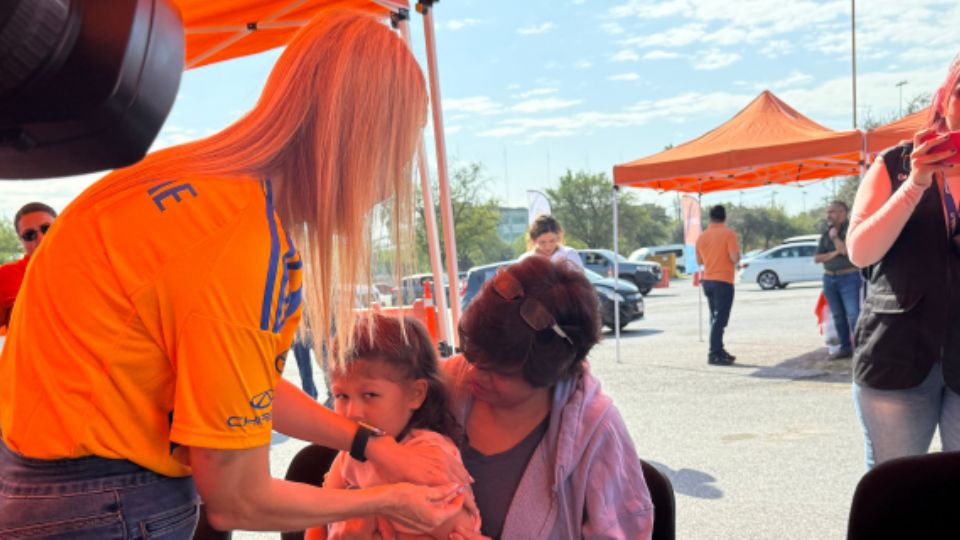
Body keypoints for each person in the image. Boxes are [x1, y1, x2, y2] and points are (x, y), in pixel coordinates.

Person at [0, 11, 468, 538]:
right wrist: (393, 499)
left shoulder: (187, 184)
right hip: (108, 506)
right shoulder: (243, 241)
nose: (388, 185)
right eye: (399, 153)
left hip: (39, 485)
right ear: (360, 143)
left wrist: (369, 443)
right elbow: (236, 501)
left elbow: (243, 388)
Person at [448, 256, 653, 539]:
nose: (474, 374)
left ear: (549, 373)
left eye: (500, 371)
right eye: (472, 356)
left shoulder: (596, 432)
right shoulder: (448, 383)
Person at [845, 52, 960, 469]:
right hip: (897, 353)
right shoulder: (895, 162)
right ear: (943, 98)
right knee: (894, 487)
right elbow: (860, 251)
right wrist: (915, 185)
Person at [307, 314, 479, 540]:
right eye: (341, 396)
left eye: (370, 395)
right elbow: (317, 521)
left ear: (415, 394)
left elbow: (457, 523)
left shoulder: (431, 455)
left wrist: (366, 514)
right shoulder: (350, 455)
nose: (352, 412)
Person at [814, 201, 862, 360]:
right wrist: (834, 253)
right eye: (827, 212)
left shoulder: (851, 230)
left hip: (849, 277)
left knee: (854, 314)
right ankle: (845, 348)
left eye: (832, 212)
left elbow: (846, 251)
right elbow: (817, 258)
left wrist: (835, 239)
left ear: (843, 213)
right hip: (829, 278)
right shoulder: (825, 233)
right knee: (838, 316)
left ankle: (861, 349)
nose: (828, 215)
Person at [695, 204, 740, 366]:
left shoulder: (702, 237)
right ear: (724, 217)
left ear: (710, 217)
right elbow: (734, 258)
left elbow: (699, 261)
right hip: (723, 280)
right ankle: (714, 353)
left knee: (714, 318)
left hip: (707, 280)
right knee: (720, 319)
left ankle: (718, 349)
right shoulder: (729, 234)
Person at [0, 202, 57, 329]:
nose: (41, 238)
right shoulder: (5, 275)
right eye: (29, 235)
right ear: (21, 241)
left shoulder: (85, 269)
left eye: (46, 229)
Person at [518, 214, 584, 269]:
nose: (548, 247)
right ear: (534, 240)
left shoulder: (569, 254)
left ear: (558, 237)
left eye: (552, 241)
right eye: (542, 242)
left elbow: (581, 283)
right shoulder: (524, 260)